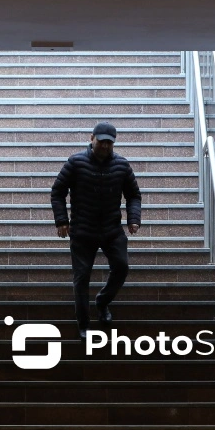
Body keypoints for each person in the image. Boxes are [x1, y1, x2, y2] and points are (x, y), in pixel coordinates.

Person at [51, 122, 142, 339]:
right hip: (83, 231)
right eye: (101, 141)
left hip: (112, 229)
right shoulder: (76, 162)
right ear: (92, 138)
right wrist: (62, 220)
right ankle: (83, 324)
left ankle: (102, 301)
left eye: (109, 143)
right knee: (82, 278)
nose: (104, 146)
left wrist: (133, 218)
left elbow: (134, 194)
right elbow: (58, 191)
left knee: (122, 267)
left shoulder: (122, 165)